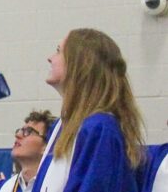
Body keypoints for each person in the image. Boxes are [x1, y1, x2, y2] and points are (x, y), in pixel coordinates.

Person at [34, 29, 144, 192]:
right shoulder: (63, 126)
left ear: (80, 64)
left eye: (58, 51)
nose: (50, 58)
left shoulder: (100, 128)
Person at [0, 111, 56, 192]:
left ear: (47, 146)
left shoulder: (58, 185)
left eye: (28, 131)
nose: (18, 135)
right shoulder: (6, 188)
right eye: (20, 130)